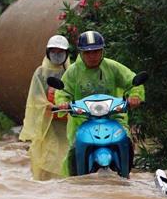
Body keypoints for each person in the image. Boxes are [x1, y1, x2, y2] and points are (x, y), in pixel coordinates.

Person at [54, 31, 145, 175]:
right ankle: (74, 183)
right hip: (81, 120)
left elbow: (132, 81)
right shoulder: (72, 72)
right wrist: (62, 103)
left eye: (96, 51)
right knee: (73, 151)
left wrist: (135, 96)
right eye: (88, 52)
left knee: (127, 142)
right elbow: (62, 92)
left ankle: (126, 175)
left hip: (114, 118)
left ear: (102, 51)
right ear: (81, 53)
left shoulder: (112, 67)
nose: (93, 56)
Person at [20, 35, 71, 180]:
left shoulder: (71, 72)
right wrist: (48, 105)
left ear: (66, 54)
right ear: (48, 53)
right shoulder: (40, 73)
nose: (57, 55)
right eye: (53, 52)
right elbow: (35, 96)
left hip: (68, 124)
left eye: (60, 52)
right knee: (47, 155)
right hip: (48, 124)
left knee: (66, 154)